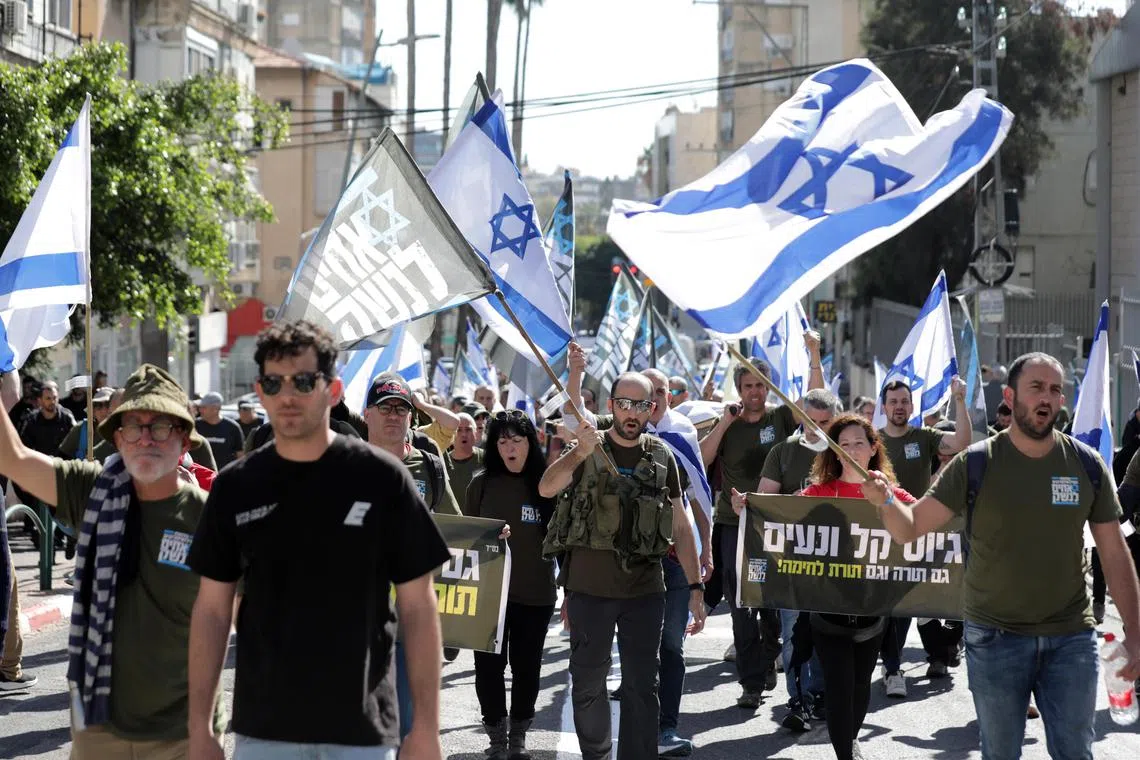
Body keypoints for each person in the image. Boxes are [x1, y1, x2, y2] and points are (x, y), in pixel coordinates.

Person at [187, 321, 450, 760]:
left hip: (362, 732)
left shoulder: (384, 480)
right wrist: (200, 729)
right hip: (264, 733)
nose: (288, 396)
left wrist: (426, 729)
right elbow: (212, 612)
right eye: (274, 383)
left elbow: (419, 607)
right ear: (260, 390)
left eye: (304, 381)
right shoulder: (235, 488)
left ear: (333, 390)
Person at [867, 351, 1140, 760]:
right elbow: (909, 528)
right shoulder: (974, 463)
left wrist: (1135, 635)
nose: (1047, 398)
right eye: (1036, 388)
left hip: (1070, 638)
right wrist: (884, 499)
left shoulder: (1087, 465)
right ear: (1011, 397)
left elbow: (1116, 557)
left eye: (1054, 390)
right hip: (994, 639)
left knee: (1075, 753)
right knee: (1000, 754)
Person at [0, 364, 224, 755]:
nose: (145, 439)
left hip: (183, 732)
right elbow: (14, 459)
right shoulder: (92, 489)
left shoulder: (211, 519)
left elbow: (246, 620)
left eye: (160, 426)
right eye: (133, 426)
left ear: (184, 440)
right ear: (117, 438)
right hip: (99, 728)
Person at [539, 372, 706, 760]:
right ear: (612, 405)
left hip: (645, 591)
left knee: (642, 688)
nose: (633, 413)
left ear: (653, 408)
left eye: (642, 405)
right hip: (589, 590)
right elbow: (547, 487)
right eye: (625, 404)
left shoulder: (662, 456)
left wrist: (696, 587)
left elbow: (681, 527)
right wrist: (578, 452)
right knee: (587, 683)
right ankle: (596, 753)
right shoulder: (588, 447)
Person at [698, 337, 824, 709]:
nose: (754, 392)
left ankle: (769, 658)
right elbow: (703, 458)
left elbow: (816, 404)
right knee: (741, 602)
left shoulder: (782, 416)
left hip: (776, 522)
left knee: (771, 601)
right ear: (739, 389)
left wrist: (813, 355)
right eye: (747, 385)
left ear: (768, 387)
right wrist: (723, 423)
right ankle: (751, 681)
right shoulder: (729, 422)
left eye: (760, 385)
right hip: (733, 523)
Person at [799, 413, 915, 760]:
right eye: (843, 444)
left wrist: (888, 501)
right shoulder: (817, 492)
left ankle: (850, 740)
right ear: (833, 452)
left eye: (858, 443)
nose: (850, 450)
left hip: (872, 613)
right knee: (838, 687)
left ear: (873, 448)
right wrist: (750, 506)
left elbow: (921, 525)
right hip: (828, 612)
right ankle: (844, 754)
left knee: (861, 687)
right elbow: (781, 516)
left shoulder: (892, 495)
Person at [731, 388, 841, 732]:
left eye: (825, 422)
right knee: (795, 631)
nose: (817, 429)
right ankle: (799, 698)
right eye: (810, 421)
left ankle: (821, 693)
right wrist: (755, 504)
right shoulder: (784, 452)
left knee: (830, 633)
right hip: (794, 561)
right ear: (800, 418)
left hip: (838, 563)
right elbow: (765, 500)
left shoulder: (847, 452)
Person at [466, 411, 555, 760]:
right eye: (502, 441)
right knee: (487, 668)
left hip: (535, 595)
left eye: (516, 440)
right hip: (489, 596)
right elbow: (466, 538)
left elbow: (562, 540)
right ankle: (496, 738)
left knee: (527, 667)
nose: (509, 448)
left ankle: (519, 735)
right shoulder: (481, 484)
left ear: (530, 443)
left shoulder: (547, 484)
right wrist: (488, 535)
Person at [877, 377, 969, 692]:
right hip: (877, 533)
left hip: (915, 531)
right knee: (882, 606)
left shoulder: (925, 437)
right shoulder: (872, 441)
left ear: (912, 406)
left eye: (904, 401)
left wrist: (959, 400)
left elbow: (961, 443)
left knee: (905, 603)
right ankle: (886, 663)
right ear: (884, 407)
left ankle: (892, 669)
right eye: (893, 402)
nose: (899, 407)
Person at [58, 386, 116, 459]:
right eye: (98, 405)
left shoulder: (123, 431)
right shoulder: (80, 430)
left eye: (108, 405)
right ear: (93, 411)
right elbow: (62, 458)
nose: (103, 410)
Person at [194, 392, 244, 470]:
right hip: (201, 477)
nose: (200, 410)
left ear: (215, 409)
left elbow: (240, 455)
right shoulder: (194, 426)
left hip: (226, 477)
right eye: (200, 407)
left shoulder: (233, 427)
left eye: (203, 407)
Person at [446, 413, 484, 515]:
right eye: (458, 430)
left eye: (468, 429)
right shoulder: (441, 462)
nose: (463, 434)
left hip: (478, 523)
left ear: (475, 433)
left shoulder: (487, 460)